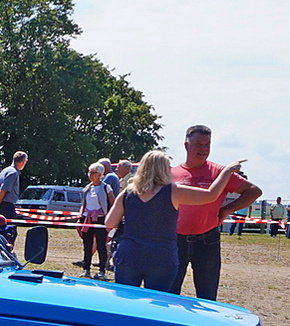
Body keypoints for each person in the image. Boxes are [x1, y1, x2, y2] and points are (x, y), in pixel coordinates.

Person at [104, 149, 245, 291]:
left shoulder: (128, 192)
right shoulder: (173, 191)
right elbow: (211, 195)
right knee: (159, 305)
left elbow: (109, 222)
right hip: (161, 257)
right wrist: (227, 171)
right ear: (165, 169)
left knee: (126, 302)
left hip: (129, 256)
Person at [170, 125, 260, 300]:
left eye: (207, 144)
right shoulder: (172, 173)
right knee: (169, 294)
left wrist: (228, 209)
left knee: (207, 295)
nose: (203, 149)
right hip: (175, 240)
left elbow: (254, 191)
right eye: (199, 144)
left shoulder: (219, 172)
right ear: (186, 145)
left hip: (207, 240)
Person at [76, 163, 111, 277]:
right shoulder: (87, 188)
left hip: (100, 219)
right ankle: (86, 269)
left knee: (101, 245)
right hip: (88, 219)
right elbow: (84, 203)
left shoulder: (106, 187)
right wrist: (81, 214)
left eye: (93, 173)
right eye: (89, 172)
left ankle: (102, 271)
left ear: (100, 174)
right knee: (87, 245)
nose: (90, 175)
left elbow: (113, 203)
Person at [0, 150, 27, 219]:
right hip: (6, 207)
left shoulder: (5, 170)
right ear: (23, 162)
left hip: (3, 205)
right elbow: (2, 191)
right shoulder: (13, 173)